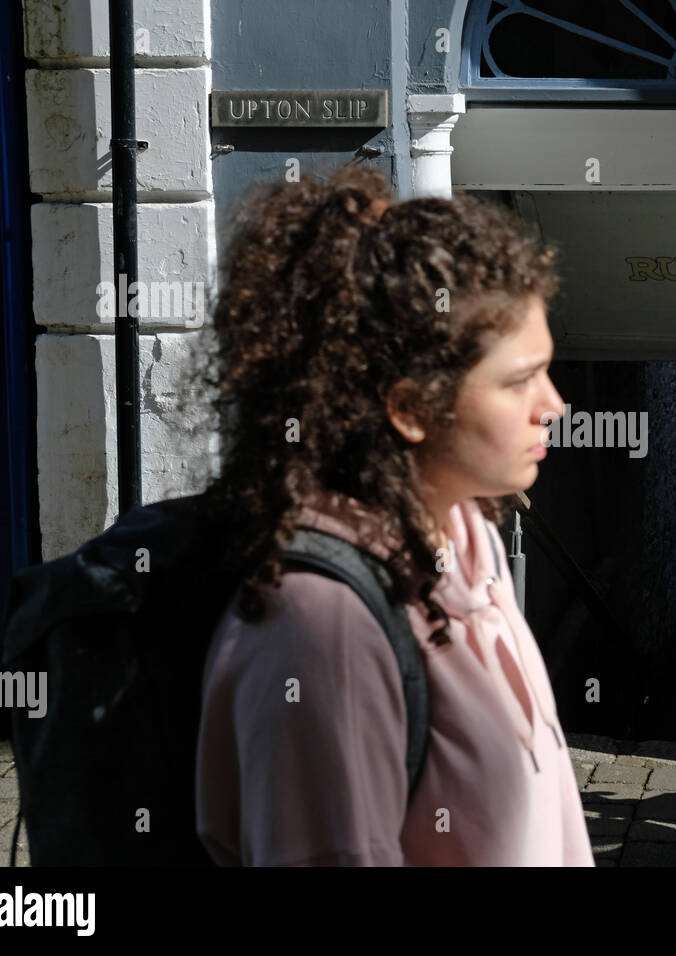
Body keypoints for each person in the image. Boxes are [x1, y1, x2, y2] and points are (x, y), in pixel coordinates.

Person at [189, 165, 594, 866]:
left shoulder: (470, 541)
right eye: (520, 379)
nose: (554, 404)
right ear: (410, 408)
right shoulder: (323, 629)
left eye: (547, 369)